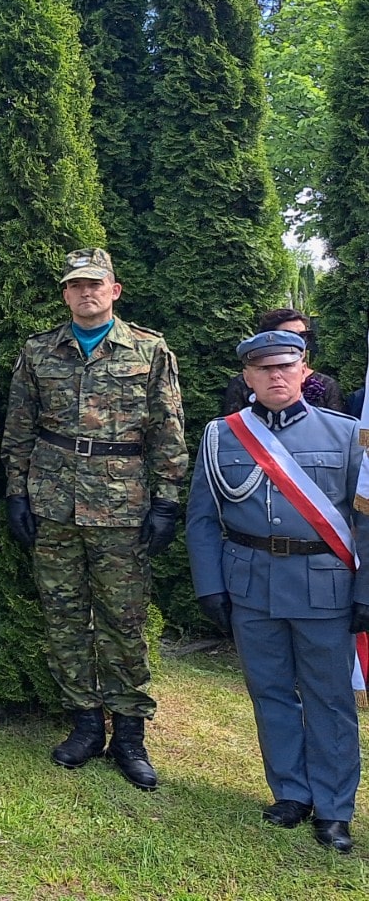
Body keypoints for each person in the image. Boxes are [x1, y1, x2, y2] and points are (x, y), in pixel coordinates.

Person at [4, 248, 187, 790]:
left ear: (114, 290)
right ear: (66, 293)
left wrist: (167, 500)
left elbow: (168, 430)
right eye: (76, 285)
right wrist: (16, 493)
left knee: (122, 621)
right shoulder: (38, 351)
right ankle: (85, 723)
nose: (86, 293)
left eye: (96, 284)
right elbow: (19, 427)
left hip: (121, 506)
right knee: (63, 617)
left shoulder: (149, 350)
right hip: (54, 503)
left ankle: (129, 734)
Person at [187, 329, 369, 855]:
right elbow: (202, 518)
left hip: (324, 587)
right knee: (269, 692)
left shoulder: (345, 434)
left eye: (286, 366)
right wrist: (210, 585)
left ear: (303, 369)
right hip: (250, 585)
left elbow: (365, 522)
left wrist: (366, 589)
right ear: (248, 376)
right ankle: (291, 792)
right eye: (263, 368)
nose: (276, 376)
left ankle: (334, 808)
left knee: (329, 699)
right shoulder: (222, 435)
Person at [220, 308, 344, 415]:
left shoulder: (327, 385)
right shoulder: (242, 384)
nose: (299, 342)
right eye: (289, 336)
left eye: (304, 336)